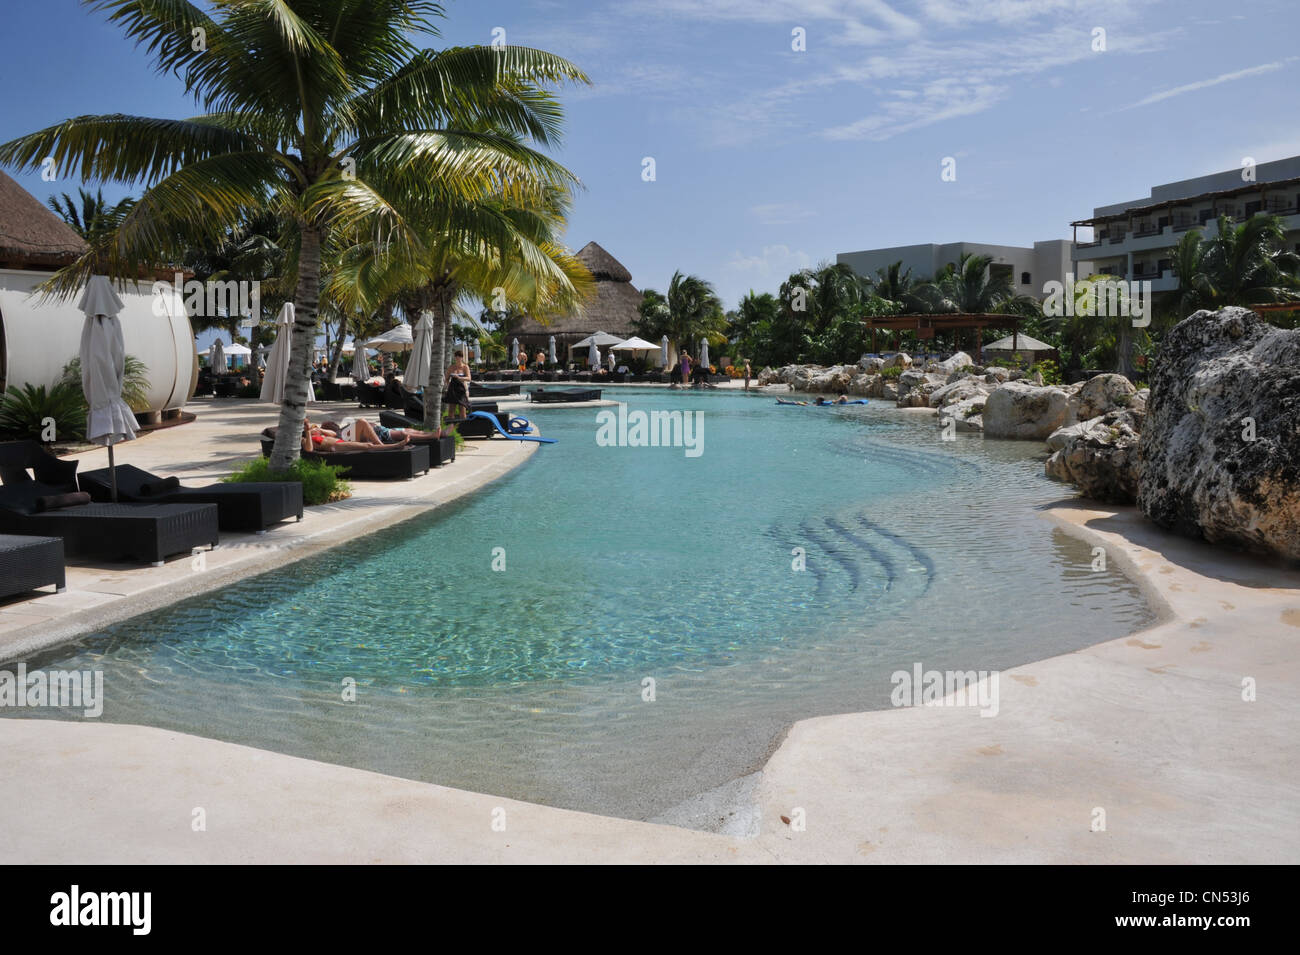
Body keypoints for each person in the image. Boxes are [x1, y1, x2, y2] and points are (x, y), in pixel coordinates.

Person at [444, 350, 473, 419]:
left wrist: (459, 378)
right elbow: (446, 378)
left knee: (462, 410)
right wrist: (448, 385)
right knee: (451, 410)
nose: (458, 358)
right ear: (455, 357)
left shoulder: (465, 367)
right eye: (456, 356)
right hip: (453, 390)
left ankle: (463, 427)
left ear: (462, 357)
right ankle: (452, 428)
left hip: (462, 389)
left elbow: (469, 378)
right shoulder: (451, 367)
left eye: (459, 356)